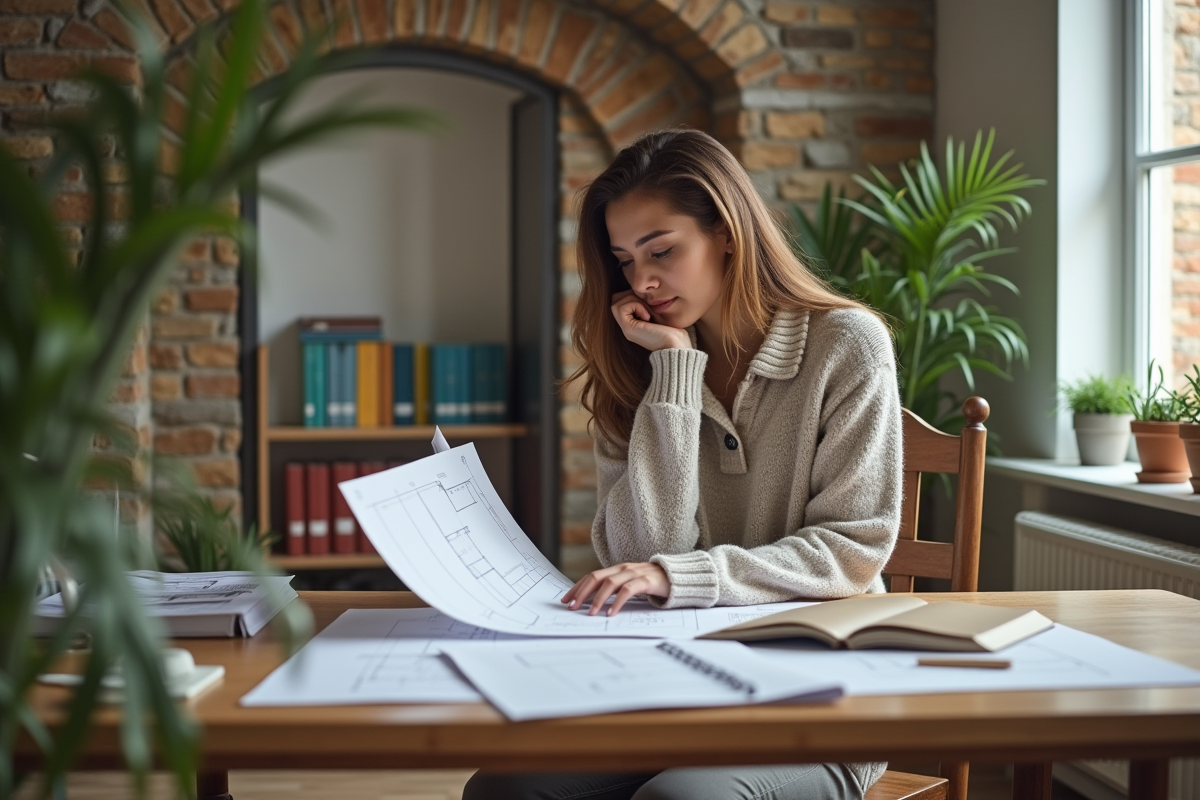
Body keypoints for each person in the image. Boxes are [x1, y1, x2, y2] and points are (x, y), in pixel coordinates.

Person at [463, 129, 902, 800]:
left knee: (684, 799)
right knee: (505, 789)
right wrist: (671, 372)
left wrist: (679, 576)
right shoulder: (632, 367)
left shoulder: (847, 346)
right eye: (623, 259)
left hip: (823, 694)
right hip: (679, 682)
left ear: (726, 232)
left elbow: (852, 551)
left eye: (662, 251)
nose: (641, 281)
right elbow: (641, 554)